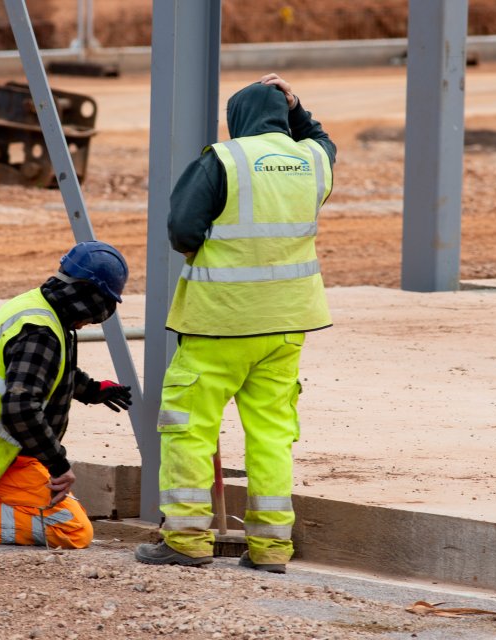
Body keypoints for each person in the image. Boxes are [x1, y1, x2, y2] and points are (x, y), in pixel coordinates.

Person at [134, 73, 336, 572]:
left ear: (238, 118)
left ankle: (186, 538)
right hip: (287, 325)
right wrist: (298, 104)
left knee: (189, 426)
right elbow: (322, 141)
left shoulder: (224, 159)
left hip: (220, 322)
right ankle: (270, 549)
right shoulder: (312, 162)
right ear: (283, 117)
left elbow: (182, 230)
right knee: (271, 433)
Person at [0, 241, 133, 549]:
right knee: (74, 531)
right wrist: (58, 464)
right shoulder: (41, 333)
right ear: (86, 298)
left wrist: (93, 390)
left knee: (63, 509)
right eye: (95, 314)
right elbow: (20, 409)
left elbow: (50, 373)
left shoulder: (36, 307)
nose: (89, 323)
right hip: (4, 455)